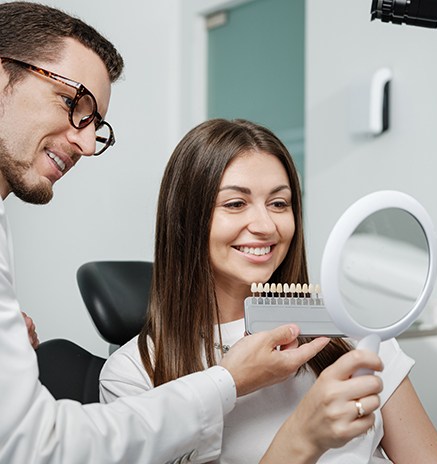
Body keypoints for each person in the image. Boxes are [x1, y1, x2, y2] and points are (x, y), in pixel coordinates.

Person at [0, 3, 333, 463]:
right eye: (73, 103)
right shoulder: (134, 371)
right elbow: (37, 446)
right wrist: (235, 387)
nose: (84, 142)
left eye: (280, 203)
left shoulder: (336, 333)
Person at [100, 118, 437, 463]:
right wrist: (303, 437)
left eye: (279, 203)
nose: (266, 225)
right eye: (235, 204)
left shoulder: (354, 333)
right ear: (185, 219)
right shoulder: (133, 375)